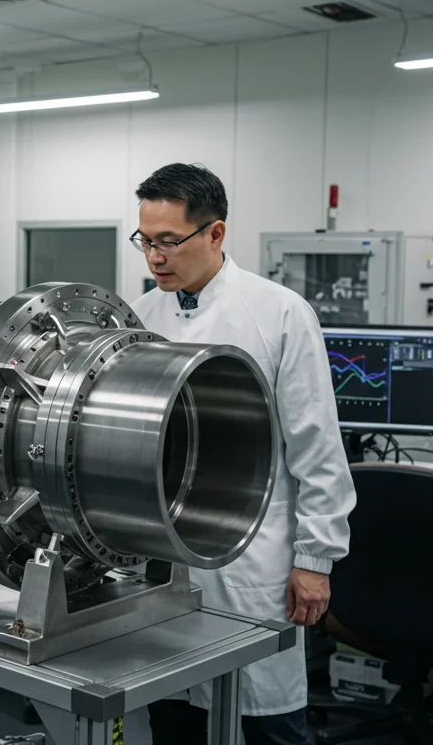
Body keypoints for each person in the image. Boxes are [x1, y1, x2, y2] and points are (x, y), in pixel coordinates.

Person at [129, 163, 355, 745]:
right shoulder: (142, 316)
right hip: (162, 556)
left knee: (263, 719)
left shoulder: (279, 314)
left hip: (250, 558)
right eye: (145, 241)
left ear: (215, 233)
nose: (154, 257)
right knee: (175, 715)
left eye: (168, 242)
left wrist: (315, 560)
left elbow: (318, 449)